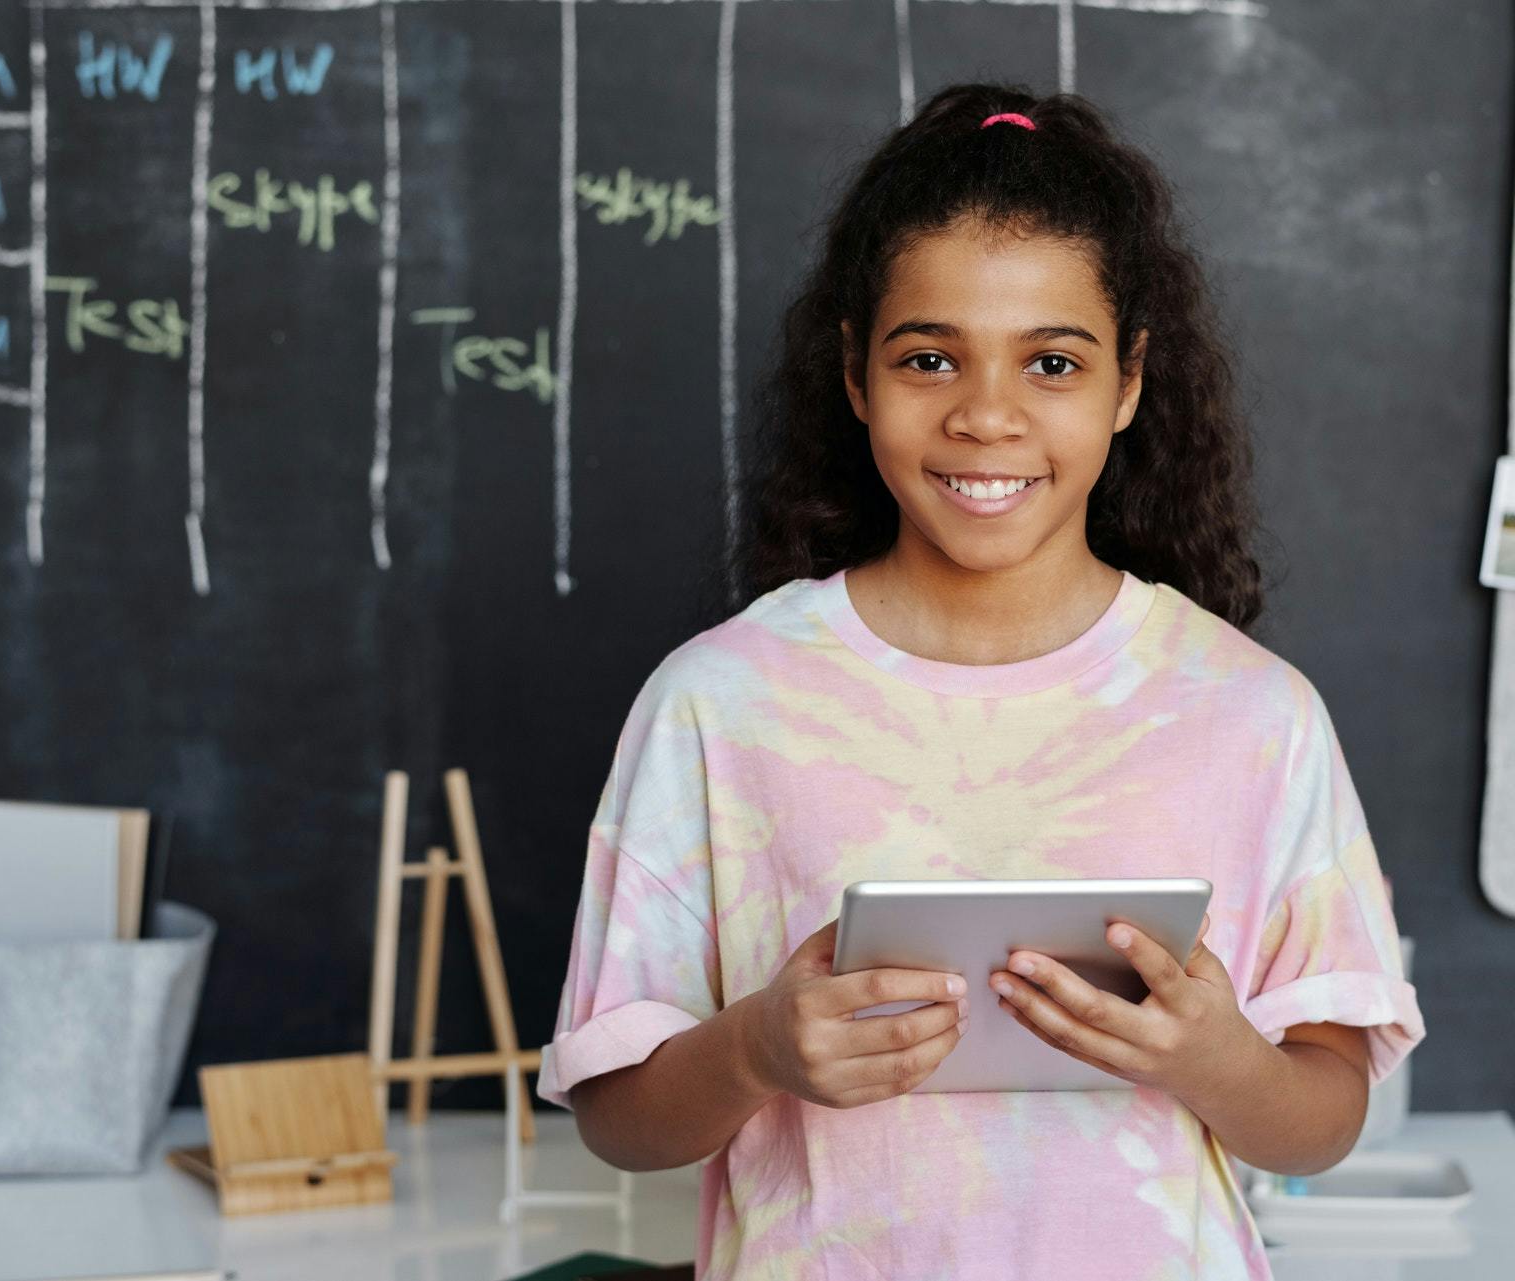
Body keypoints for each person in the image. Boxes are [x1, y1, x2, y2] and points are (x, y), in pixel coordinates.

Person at [537, 83, 1426, 1279]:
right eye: (929, 358)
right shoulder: (722, 703)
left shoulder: (1252, 715)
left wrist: (1215, 1058)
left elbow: (1323, 1119)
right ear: (856, 375)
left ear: (1129, 384)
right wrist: (754, 1052)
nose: (988, 417)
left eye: (1053, 362)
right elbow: (618, 1122)